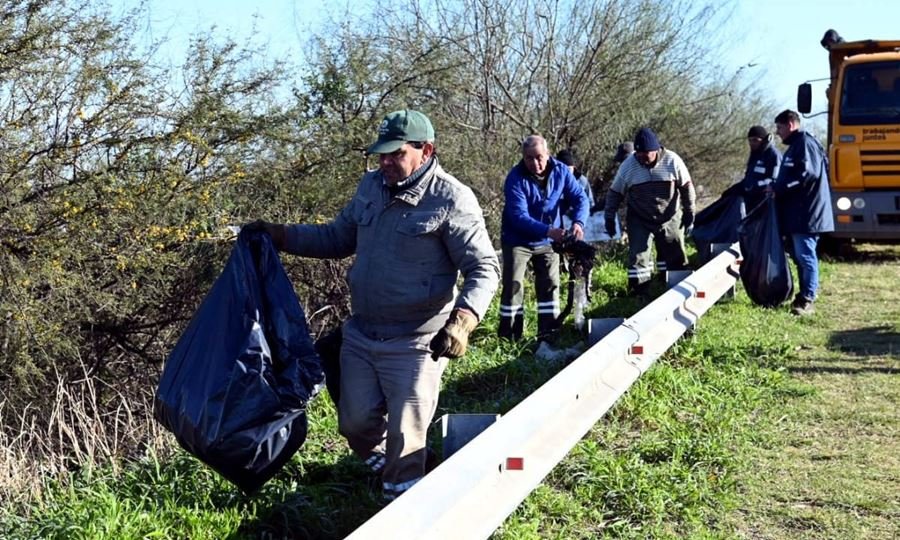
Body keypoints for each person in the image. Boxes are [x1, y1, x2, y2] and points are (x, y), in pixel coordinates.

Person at [249, 109, 500, 501]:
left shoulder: (451, 198)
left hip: (417, 341)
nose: (384, 162)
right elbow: (336, 237)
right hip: (363, 334)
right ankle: (397, 473)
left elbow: (484, 267)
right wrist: (279, 235)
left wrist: (463, 320)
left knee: (407, 434)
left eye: (395, 154)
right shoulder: (371, 187)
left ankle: (404, 509)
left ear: (425, 150)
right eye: (380, 154)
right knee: (355, 424)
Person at [499, 135, 590, 342]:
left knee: (550, 284)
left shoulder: (560, 171)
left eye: (539, 157)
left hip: (549, 241)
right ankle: (509, 337)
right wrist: (548, 230)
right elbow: (518, 216)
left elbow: (580, 198)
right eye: (529, 158)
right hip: (518, 239)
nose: (535, 163)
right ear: (523, 157)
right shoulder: (515, 178)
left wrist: (578, 222)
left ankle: (549, 333)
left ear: (547, 154)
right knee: (514, 285)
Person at [603, 127, 695, 296]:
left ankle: (677, 289)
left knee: (674, 251)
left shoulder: (672, 161)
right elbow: (615, 193)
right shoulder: (628, 166)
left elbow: (687, 187)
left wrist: (690, 211)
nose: (641, 158)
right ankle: (639, 292)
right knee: (638, 256)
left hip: (669, 214)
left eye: (646, 154)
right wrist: (609, 217)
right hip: (640, 216)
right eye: (638, 153)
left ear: (656, 150)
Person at [772, 109, 834, 316]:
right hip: (797, 214)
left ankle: (808, 298)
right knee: (800, 256)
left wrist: (779, 188)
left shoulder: (805, 144)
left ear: (790, 124)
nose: (778, 132)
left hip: (807, 214)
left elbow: (807, 174)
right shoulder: (795, 146)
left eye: (780, 127)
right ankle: (802, 295)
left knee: (806, 255)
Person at [741, 125, 782, 211]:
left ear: (763, 140)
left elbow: (775, 179)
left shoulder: (773, 155)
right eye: (750, 140)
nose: (752, 143)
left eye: (755, 140)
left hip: (764, 201)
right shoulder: (755, 154)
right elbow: (749, 176)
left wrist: (755, 185)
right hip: (750, 198)